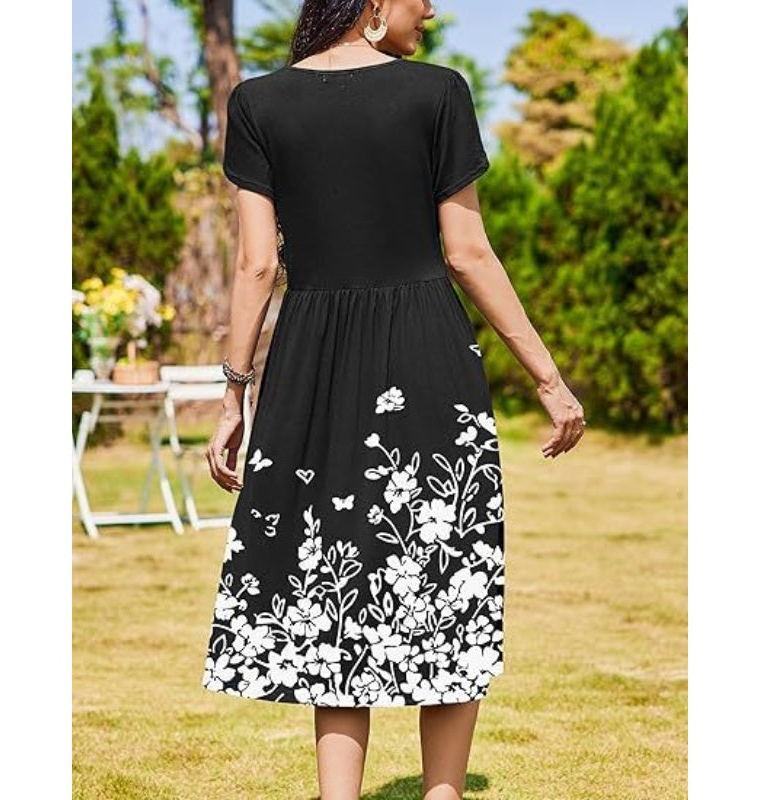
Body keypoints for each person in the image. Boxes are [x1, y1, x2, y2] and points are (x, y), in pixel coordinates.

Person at [202, 1, 585, 798]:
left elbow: (256, 264)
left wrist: (235, 393)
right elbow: (467, 253)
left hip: (313, 363)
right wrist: (548, 379)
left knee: (332, 582)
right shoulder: (438, 92)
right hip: (425, 354)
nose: (433, 8)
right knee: (444, 575)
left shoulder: (258, 102)